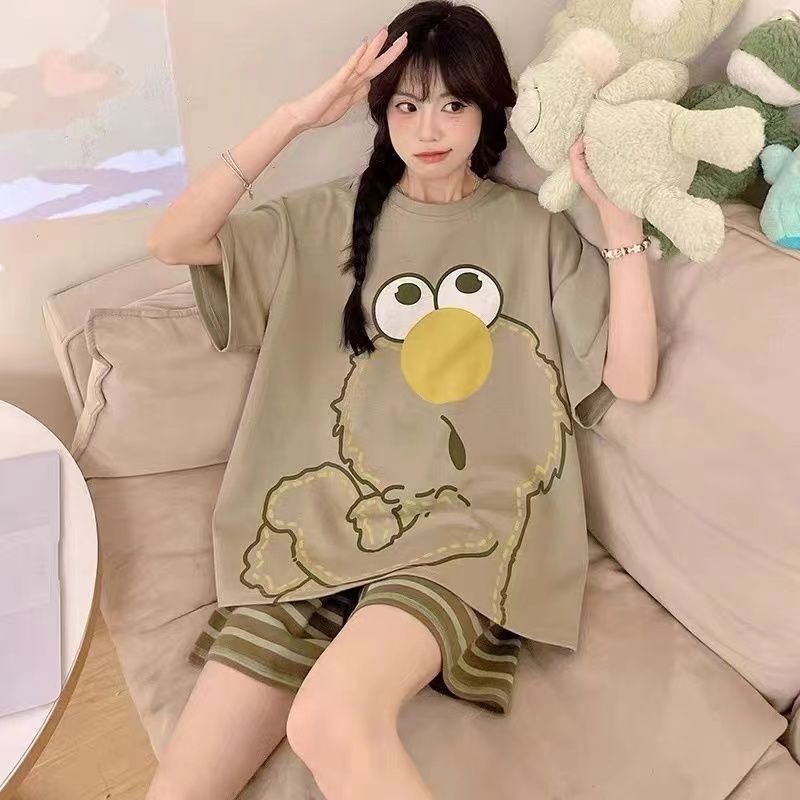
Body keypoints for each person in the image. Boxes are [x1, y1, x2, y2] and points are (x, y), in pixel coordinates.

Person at [146, 2, 658, 798]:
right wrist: (295, 119)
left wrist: (621, 228)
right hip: (317, 524)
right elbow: (173, 241)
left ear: (487, 107)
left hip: (461, 530)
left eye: (453, 103)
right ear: (381, 114)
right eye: (407, 105)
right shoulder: (324, 218)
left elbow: (632, 378)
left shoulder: (533, 229)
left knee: (330, 720)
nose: (429, 129)